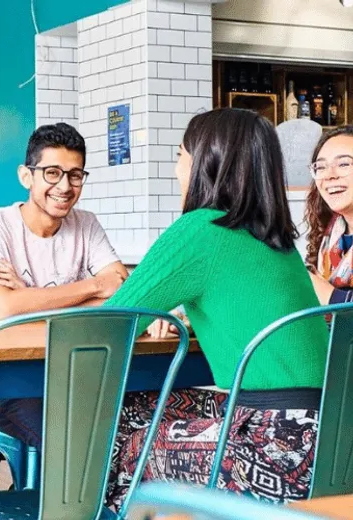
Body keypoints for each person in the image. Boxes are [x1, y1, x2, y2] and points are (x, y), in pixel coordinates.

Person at [103, 108, 329, 507]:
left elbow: (105, 325)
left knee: (127, 444)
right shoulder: (276, 240)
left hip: (276, 445)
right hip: (328, 433)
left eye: (179, 156)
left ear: (206, 162)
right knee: (133, 406)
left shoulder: (199, 230)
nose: (176, 170)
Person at [0, 122, 128, 449]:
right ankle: (43, 502)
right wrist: (95, 286)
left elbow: (123, 294)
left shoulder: (86, 223)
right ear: (26, 176)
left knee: (128, 431)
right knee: (73, 445)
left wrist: (31, 298)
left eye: (75, 175)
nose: (65, 186)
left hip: (76, 374)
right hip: (9, 382)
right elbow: (6, 307)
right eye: (53, 173)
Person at [304, 126, 353, 305]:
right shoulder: (331, 230)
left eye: (344, 164)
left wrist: (331, 296)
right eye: (321, 167)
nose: (329, 176)